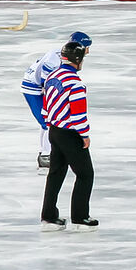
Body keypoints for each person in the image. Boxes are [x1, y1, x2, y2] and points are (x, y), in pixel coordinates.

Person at [40, 40, 97, 231]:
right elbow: (78, 114)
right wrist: (84, 135)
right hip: (70, 134)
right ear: (77, 59)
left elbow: (45, 107)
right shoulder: (75, 83)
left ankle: (48, 217)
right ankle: (80, 218)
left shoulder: (52, 76)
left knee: (55, 174)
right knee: (85, 174)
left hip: (54, 131)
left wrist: (50, 125)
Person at [22, 32, 93, 170]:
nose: (88, 51)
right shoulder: (55, 57)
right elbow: (47, 79)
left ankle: (46, 153)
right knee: (47, 122)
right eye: (87, 47)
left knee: (49, 121)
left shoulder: (65, 54)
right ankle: (45, 155)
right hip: (33, 88)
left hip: (41, 87)